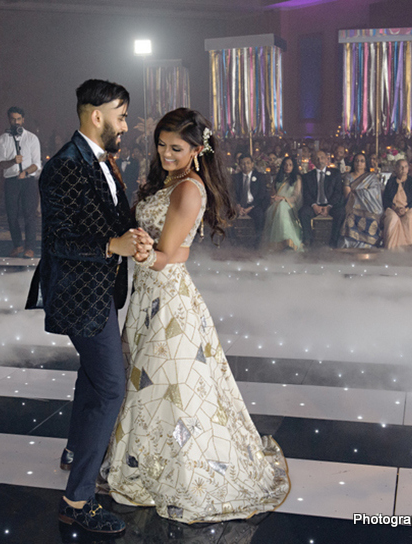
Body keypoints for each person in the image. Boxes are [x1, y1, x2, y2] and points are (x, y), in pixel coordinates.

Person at [104, 108, 289, 523]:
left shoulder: (188, 188)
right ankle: (146, 459)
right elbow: (178, 249)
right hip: (150, 294)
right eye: (161, 144)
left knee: (170, 386)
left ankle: (180, 471)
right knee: (152, 382)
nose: (166, 153)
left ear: (197, 149)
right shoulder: (171, 181)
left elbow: (167, 256)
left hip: (166, 299)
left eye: (176, 148)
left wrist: (128, 246)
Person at [29, 79, 151, 535]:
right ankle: (77, 500)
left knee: (93, 377)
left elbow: (114, 218)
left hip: (101, 290)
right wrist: (112, 244)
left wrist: (134, 234)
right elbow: (58, 240)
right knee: (111, 388)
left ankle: (72, 451)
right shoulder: (64, 166)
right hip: (80, 295)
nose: (126, 126)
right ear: (95, 115)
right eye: (121, 117)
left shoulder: (103, 162)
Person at [0, 106, 41, 258]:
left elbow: (37, 163)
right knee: (11, 215)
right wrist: (12, 161)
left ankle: (30, 247)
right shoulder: (2, 139)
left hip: (28, 181)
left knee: (29, 215)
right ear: (9, 120)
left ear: (23, 120)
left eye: (18, 119)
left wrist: (25, 172)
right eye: (12, 119)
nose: (15, 122)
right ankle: (17, 245)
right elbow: (0, 164)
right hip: (11, 180)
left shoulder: (32, 138)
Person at [299, 150, 345, 247]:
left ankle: (334, 242)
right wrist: (314, 205)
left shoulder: (335, 174)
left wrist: (328, 206)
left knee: (341, 212)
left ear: (327, 159)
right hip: (315, 205)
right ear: (313, 161)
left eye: (322, 157)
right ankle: (308, 240)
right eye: (317, 158)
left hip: (330, 205)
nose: (320, 160)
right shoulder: (307, 176)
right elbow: (306, 194)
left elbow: (338, 192)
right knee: (303, 212)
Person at [340, 152, 384, 248]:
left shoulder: (371, 177)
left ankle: (369, 246)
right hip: (352, 206)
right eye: (357, 161)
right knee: (350, 218)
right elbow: (348, 195)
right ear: (353, 163)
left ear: (365, 164)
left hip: (370, 208)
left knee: (372, 219)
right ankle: (351, 246)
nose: (359, 163)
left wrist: (356, 191)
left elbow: (375, 193)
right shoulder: (349, 176)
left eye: (362, 161)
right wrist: (362, 191)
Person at [261, 156, 304, 251]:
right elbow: (273, 195)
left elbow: (296, 197)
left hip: (290, 205)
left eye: (290, 165)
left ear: (293, 167)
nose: (287, 167)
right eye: (285, 165)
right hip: (276, 205)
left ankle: (288, 241)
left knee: (282, 206)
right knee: (279, 207)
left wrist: (283, 199)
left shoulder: (297, 179)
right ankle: (278, 244)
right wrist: (274, 199)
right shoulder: (278, 179)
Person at [382, 159, 412, 249]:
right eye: (400, 167)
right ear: (396, 168)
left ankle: (408, 249)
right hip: (393, 208)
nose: (403, 169)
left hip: (409, 208)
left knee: (410, 218)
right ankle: (391, 250)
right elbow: (386, 199)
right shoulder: (391, 182)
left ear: (408, 169)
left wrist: (405, 209)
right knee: (392, 219)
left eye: (405, 167)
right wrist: (395, 208)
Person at [233, 154, 270, 242]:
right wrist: (237, 206)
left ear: (252, 164)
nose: (245, 165)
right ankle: (233, 242)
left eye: (248, 163)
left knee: (260, 215)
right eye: (243, 163)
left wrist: (251, 207)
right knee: (228, 215)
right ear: (239, 165)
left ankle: (257, 242)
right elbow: (232, 193)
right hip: (239, 205)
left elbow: (262, 195)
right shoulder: (235, 177)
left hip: (254, 205)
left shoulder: (260, 177)